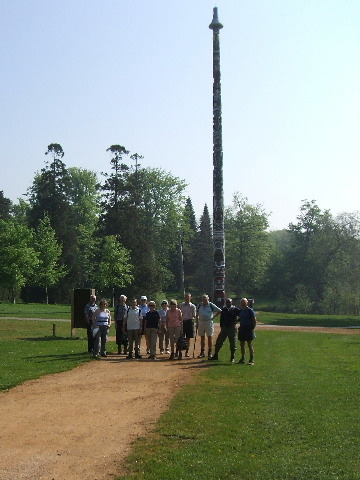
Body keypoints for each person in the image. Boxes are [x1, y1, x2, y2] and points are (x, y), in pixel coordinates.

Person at [210, 298, 240, 363]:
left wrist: (236, 322)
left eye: (229, 302)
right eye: (227, 302)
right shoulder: (224, 309)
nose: (228, 303)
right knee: (219, 342)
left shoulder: (235, 309)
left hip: (232, 328)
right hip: (224, 328)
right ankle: (216, 355)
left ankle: (232, 357)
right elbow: (221, 318)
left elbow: (241, 316)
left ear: (232, 303)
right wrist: (221, 326)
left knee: (232, 343)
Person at [196, 294, 221, 359]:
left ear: (208, 299)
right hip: (201, 322)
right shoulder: (199, 305)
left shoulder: (211, 305)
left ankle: (209, 353)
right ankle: (202, 352)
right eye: (203, 299)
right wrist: (197, 322)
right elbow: (197, 314)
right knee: (202, 337)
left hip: (208, 322)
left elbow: (219, 310)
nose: (204, 300)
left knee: (209, 337)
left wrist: (214, 317)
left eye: (205, 299)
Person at [237, 297, 256, 365]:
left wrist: (252, 328)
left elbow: (254, 320)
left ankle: (251, 359)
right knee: (242, 344)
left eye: (244, 303)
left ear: (247, 303)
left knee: (249, 344)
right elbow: (240, 318)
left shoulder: (250, 310)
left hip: (248, 329)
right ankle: (242, 358)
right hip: (242, 328)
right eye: (241, 303)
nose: (242, 304)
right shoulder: (241, 310)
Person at [179, 293, 196, 357]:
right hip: (182, 322)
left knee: (188, 338)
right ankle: (180, 351)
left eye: (188, 297)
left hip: (189, 321)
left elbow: (194, 315)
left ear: (190, 298)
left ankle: (187, 352)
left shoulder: (193, 306)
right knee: (181, 337)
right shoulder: (181, 305)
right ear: (184, 298)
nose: (187, 298)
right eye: (186, 297)